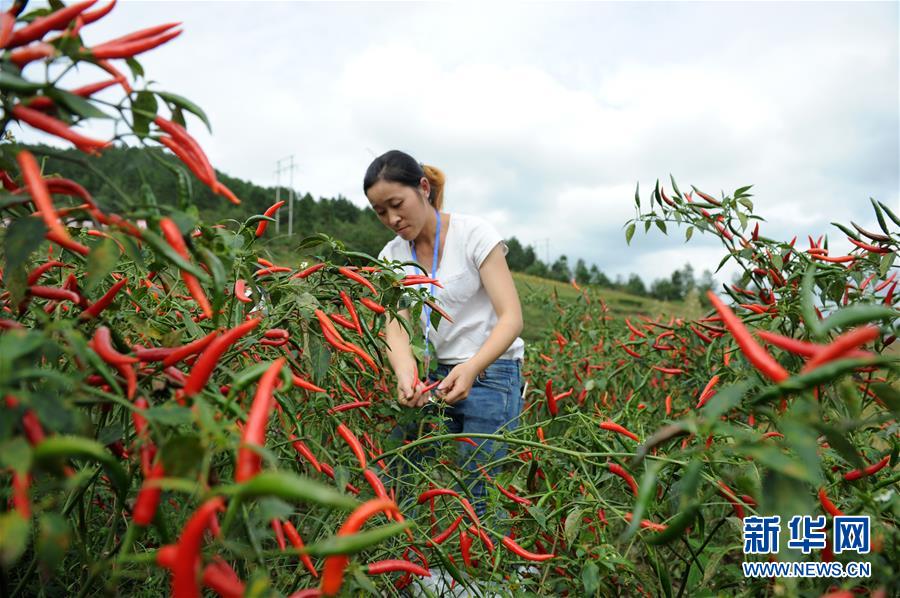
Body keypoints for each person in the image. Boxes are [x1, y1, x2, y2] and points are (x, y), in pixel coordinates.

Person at [363, 150, 526, 518]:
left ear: (423, 188)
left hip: (493, 373)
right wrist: (405, 375)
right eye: (380, 212)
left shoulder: (473, 234)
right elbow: (395, 327)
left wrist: (472, 368)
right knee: (401, 472)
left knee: (480, 492)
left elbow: (511, 318)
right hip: (437, 377)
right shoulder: (392, 255)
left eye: (396, 205)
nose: (392, 219)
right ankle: (408, 551)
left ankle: (490, 557)